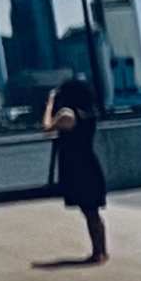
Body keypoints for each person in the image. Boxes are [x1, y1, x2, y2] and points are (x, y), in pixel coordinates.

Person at [40, 72, 107, 267]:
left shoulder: (67, 114)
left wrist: (50, 103)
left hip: (77, 167)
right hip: (89, 162)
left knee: (89, 211)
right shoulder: (89, 113)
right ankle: (100, 251)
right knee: (92, 211)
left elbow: (46, 127)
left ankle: (98, 253)